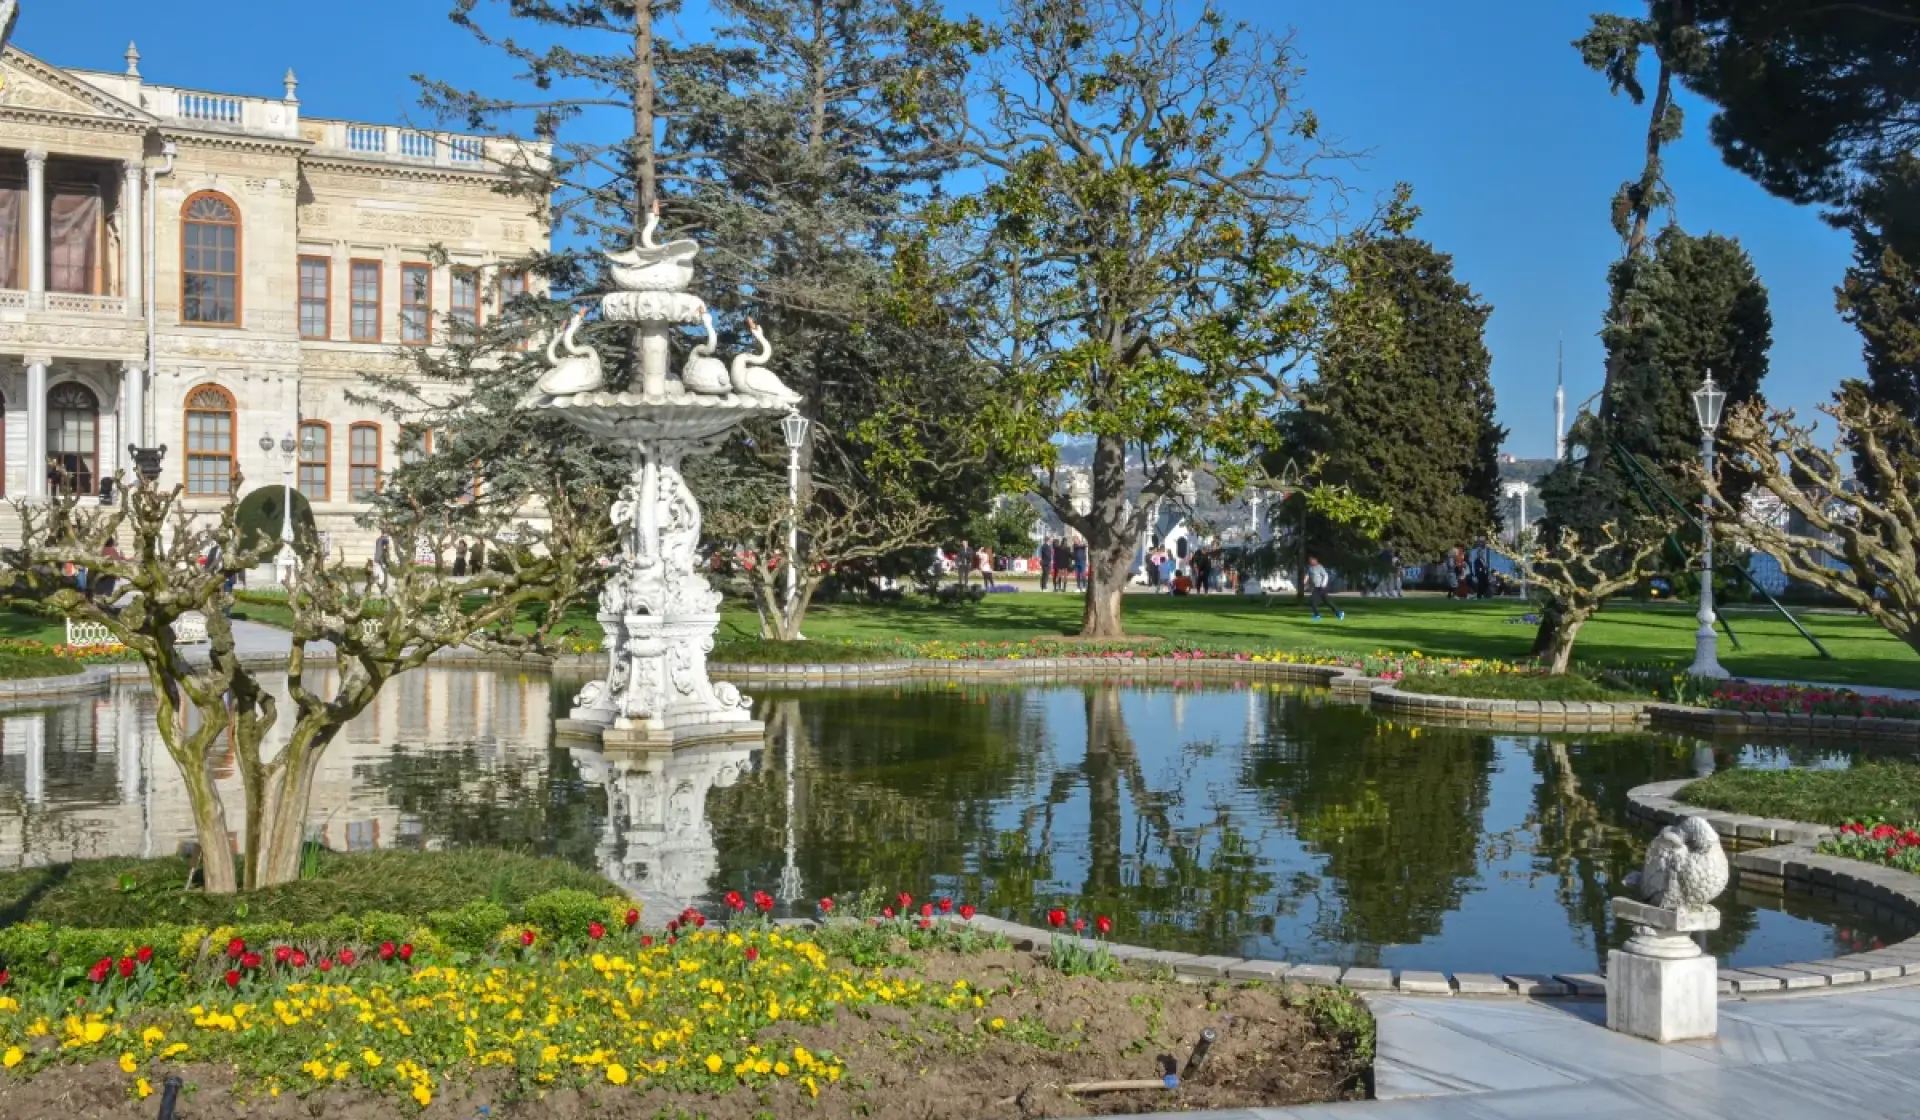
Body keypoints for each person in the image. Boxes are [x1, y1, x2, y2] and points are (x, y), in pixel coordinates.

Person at [1306, 554, 1343, 621]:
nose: (1311, 562)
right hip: (1316, 588)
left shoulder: (1320, 567)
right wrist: (1305, 579)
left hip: (1321, 587)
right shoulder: (1310, 568)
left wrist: (1323, 584)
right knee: (1325, 601)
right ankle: (1338, 612)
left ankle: (1338, 613)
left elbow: (1325, 575)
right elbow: (1308, 574)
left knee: (1318, 601)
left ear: (1315, 560)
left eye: (1312, 560)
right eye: (1310, 560)